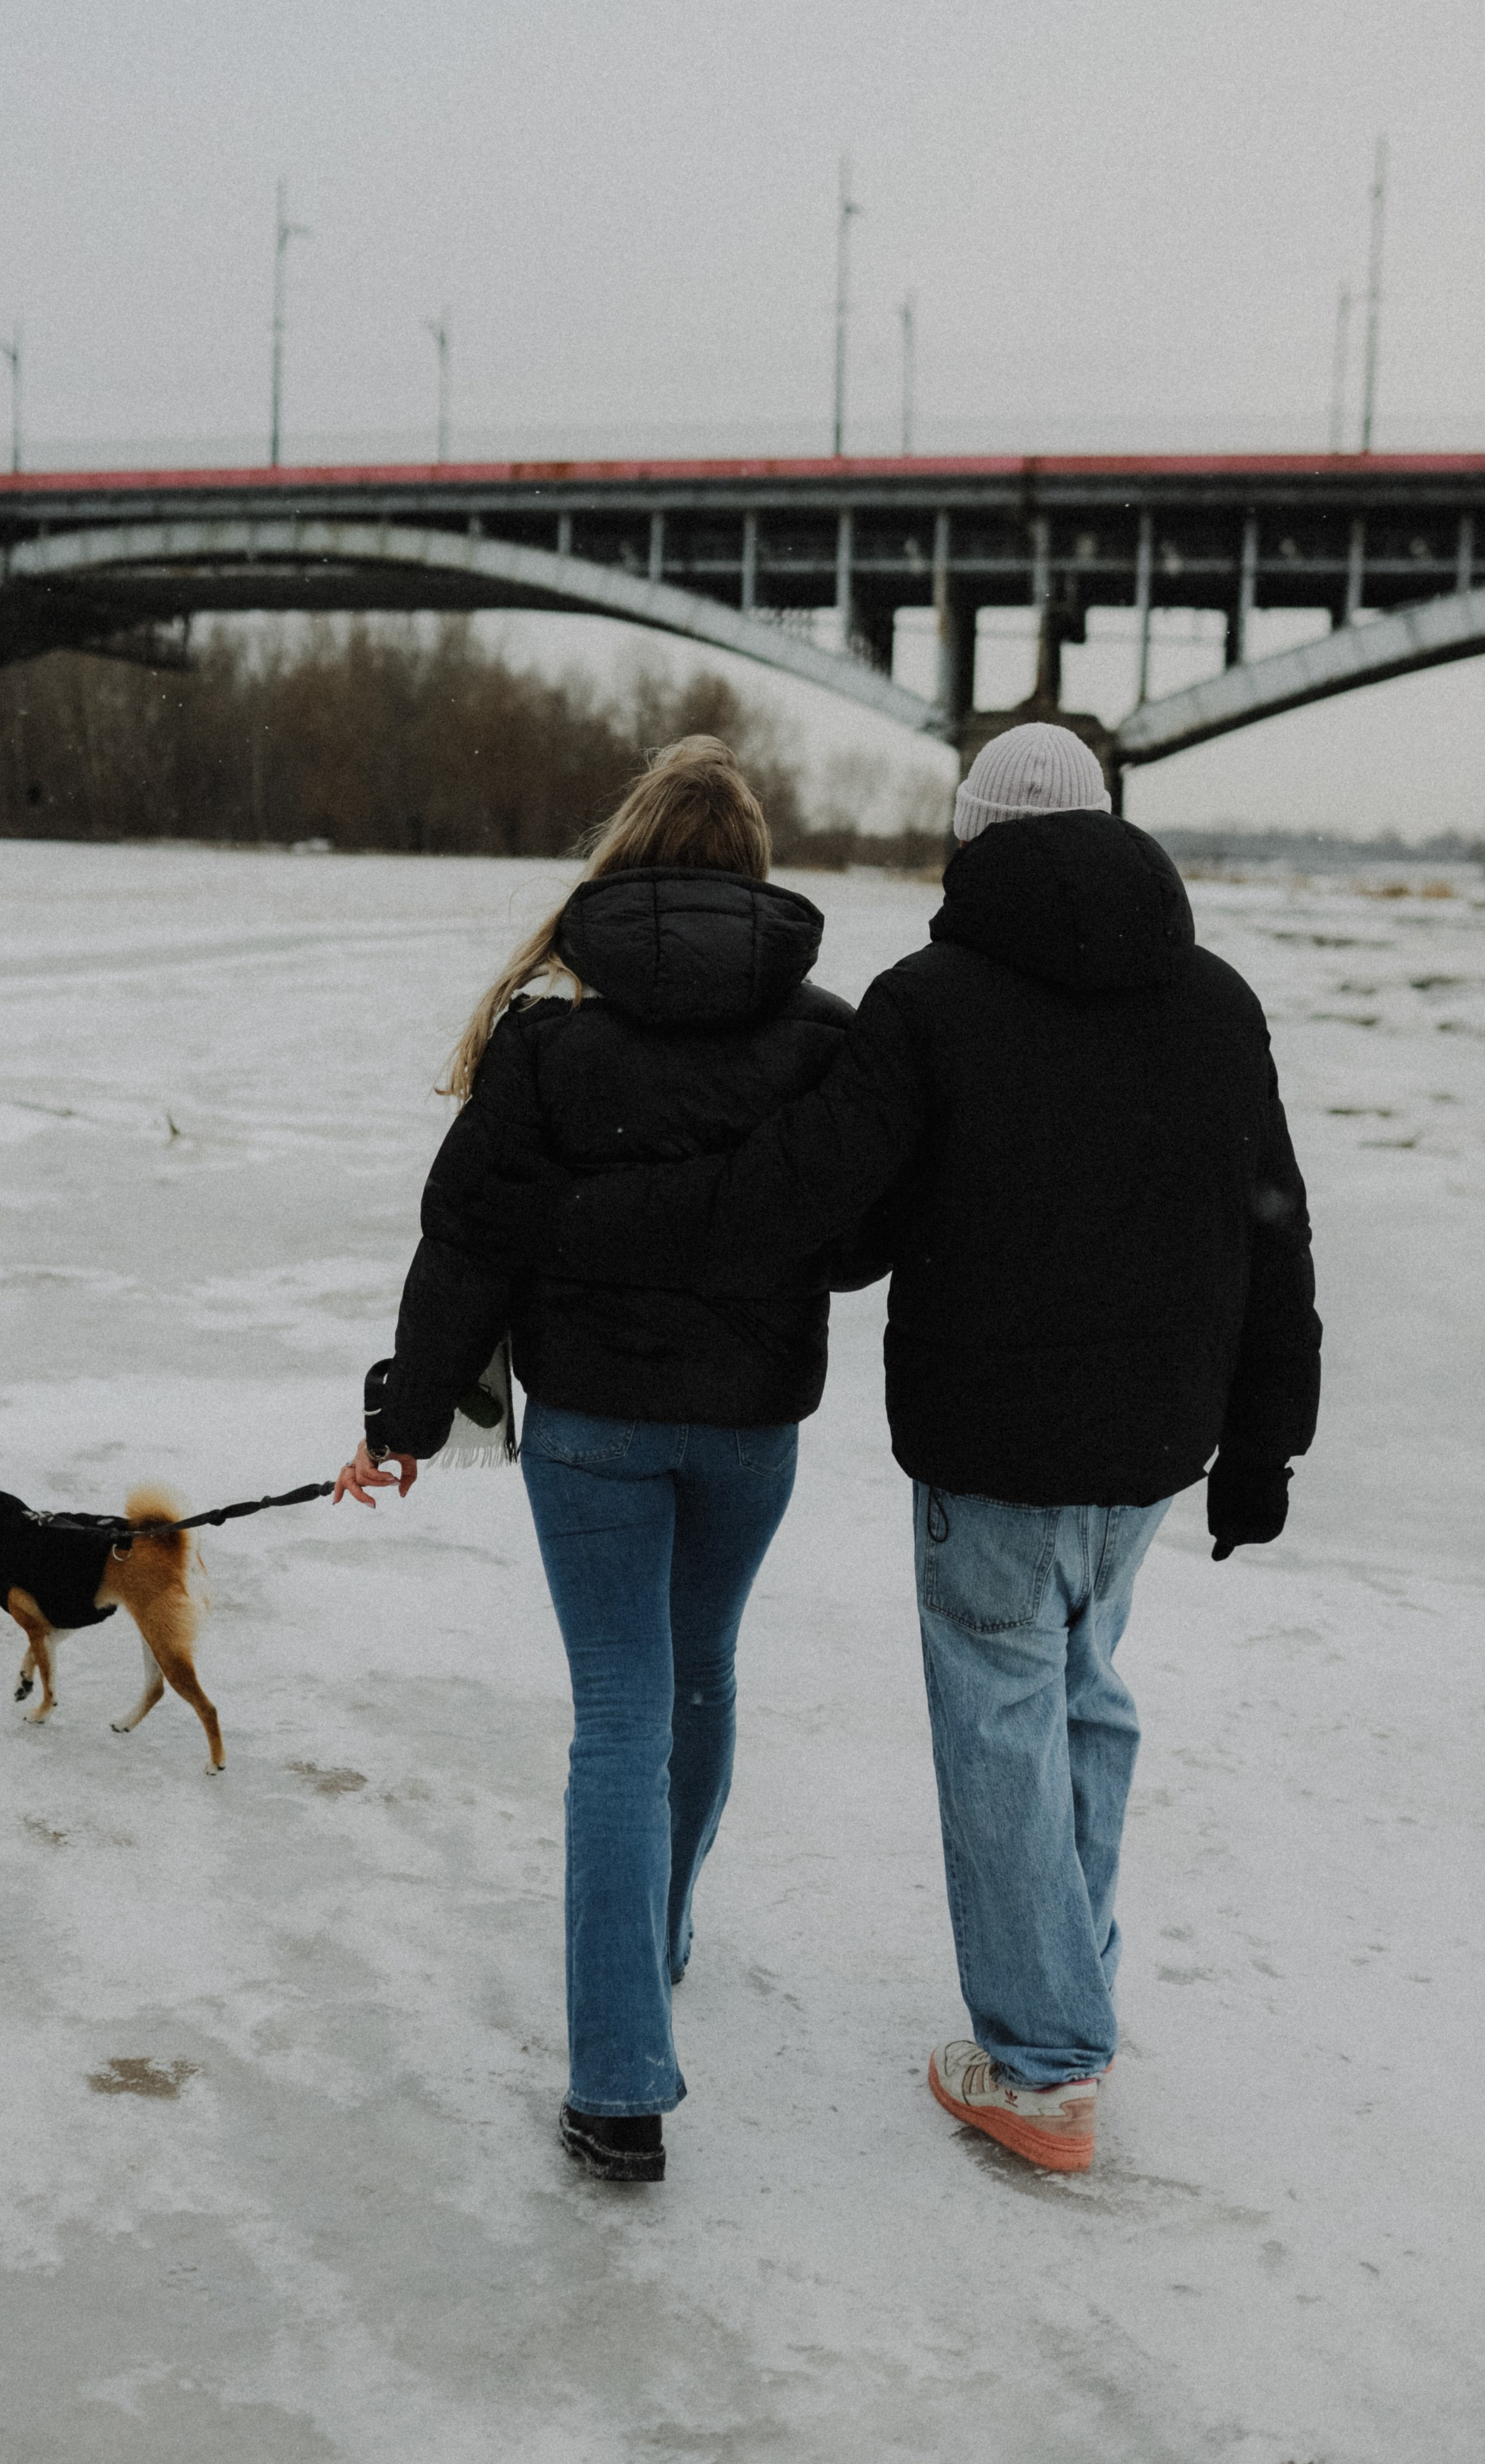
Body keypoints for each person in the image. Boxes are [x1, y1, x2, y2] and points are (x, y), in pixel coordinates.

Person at [470, 721, 1321, 2175]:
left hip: (992, 1435)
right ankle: (1065, 1984)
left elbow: (802, 1207)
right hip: (1149, 1448)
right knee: (1084, 1695)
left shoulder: (931, 1004)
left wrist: (577, 1228)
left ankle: (1043, 2061)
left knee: (1000, 1710)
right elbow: (1272, 1231)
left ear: (970, 835)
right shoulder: (1210, 1000)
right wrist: (1263, 1445)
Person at [333, 737, 883, 2184]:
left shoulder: (542, 1041)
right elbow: (854, 1238)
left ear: (621, 859)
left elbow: (466, 1244)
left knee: (618, 1716)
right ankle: (656, 1936)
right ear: (749, 871)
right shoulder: (820, 1040)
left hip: (590, 1431)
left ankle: (618, 2079)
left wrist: (404, 1415)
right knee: (696, 1677)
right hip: (752, 1423)